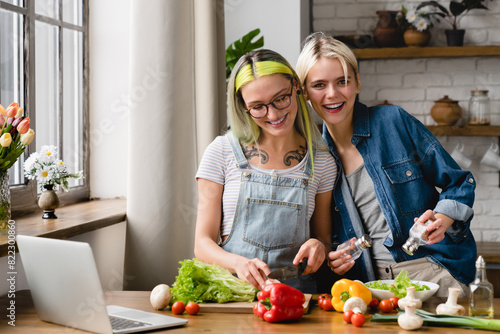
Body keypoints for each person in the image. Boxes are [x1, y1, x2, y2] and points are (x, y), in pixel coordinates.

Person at [296, 32, 476, 297]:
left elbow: (460, 182)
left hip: (433, 273)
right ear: (305, 93)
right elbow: (326, 241)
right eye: (319, 85)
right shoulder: (314, 158)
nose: (332, 94)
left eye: (342, 81)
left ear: (357, 83)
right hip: (369, 287)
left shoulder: (393, 121)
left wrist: (443, 217)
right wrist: (335, 258)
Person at [194, 49, 337, 293]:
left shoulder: (321, 162)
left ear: (296, 87)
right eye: (258, 107)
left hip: (295, 296)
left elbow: (323, 239)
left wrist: (320, 247)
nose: (273, 114)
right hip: (232, 293)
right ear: (244, 108)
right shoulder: (222, 152)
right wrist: (239, 263)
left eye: (281, 98)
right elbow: (201, 244)